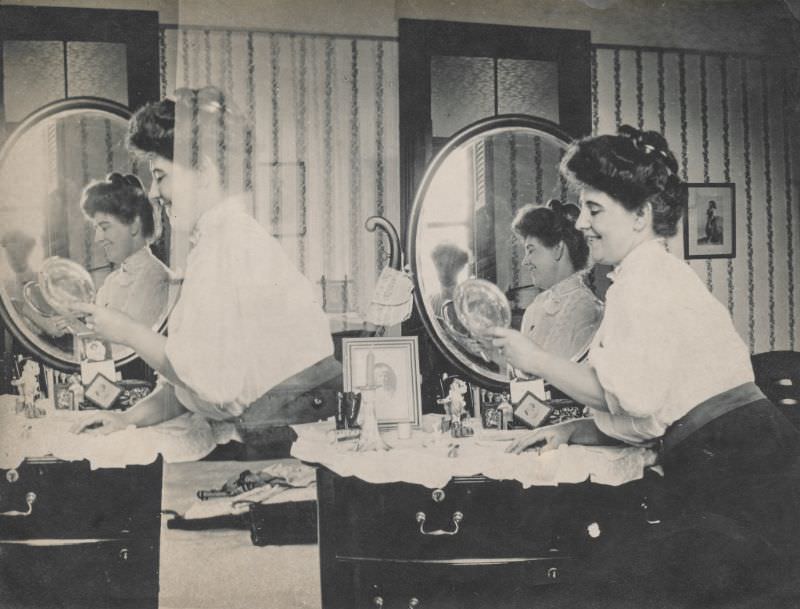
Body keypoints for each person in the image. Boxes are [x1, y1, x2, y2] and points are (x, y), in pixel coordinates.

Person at [489, 125, 800, 601]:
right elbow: (651, 412)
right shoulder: (645, 276)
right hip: (735, 459)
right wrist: (573, 430)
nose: (583, 224)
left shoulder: (645, 284)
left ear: (641, 215)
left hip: (743, 472)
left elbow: (633, 398)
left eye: (595, 210)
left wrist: (535, 358)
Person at [70, 87, 335, 435]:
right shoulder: (222, 240)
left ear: (205, 173)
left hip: (281, 444)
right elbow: (193, 384)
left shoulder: (226, 248)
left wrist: (126, 331)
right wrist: (125, 418)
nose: (152, 192)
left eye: (161, 175)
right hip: (270, 433)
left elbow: (210, 382)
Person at [512, 199, 602, 364]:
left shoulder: (586, 309)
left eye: (531, 250)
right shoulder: (536, 307)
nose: (525, 261)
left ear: (558, 249)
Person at [81, 172, 172, 331]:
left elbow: (131, 349)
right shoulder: (112, 281)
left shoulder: (157, 278)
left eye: (105, 227)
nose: (98, 238)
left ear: (134, 225)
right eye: (97, 229)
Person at [429, 242, 469, 318]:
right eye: (440, 264)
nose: (445, 271)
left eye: (452, 265)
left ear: (461, 267)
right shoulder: (431, 302)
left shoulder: (466, 300)